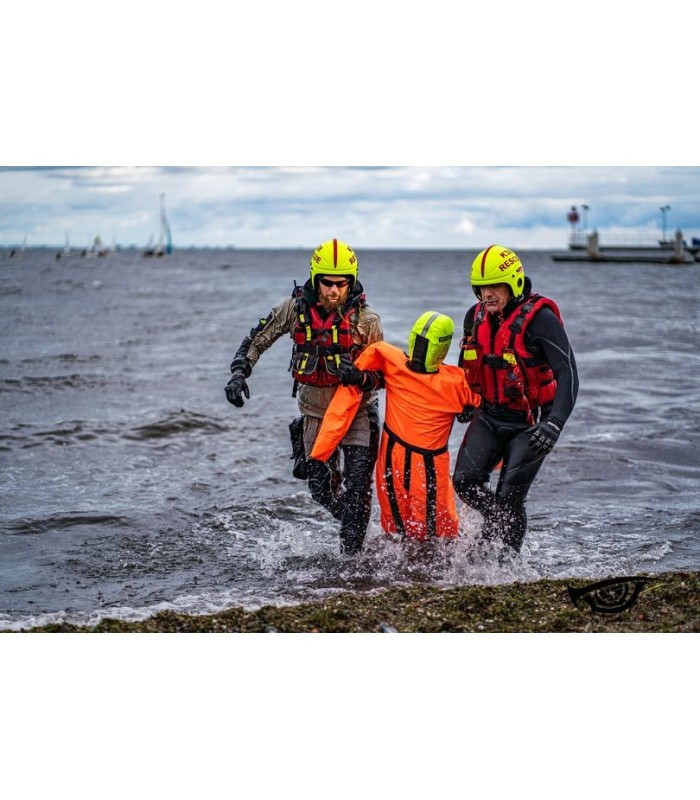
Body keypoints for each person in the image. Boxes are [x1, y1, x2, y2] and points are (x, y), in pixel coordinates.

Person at [224, 239, 383, 555]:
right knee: (321, 491)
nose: (334, 291)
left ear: (351, 282)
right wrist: (239, 372)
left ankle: (351, 560)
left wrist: (360, 377)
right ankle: (355, 526)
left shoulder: (367, 321)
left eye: (341, 284)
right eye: (327, 283)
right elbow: (258, 338)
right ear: (315, 278)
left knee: (357, 491)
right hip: (313, 412)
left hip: (356, 414)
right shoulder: (293, 310)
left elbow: (382, 377)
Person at [452, 245, 579, 553]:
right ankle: (494, 528)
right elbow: (466, 361)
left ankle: (509, 566)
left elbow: (569, 374)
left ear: (515, 284)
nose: (488, 294)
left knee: (510, 495)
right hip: (491, 415)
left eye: (495, 286)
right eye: (481, 287)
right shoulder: (475, 316)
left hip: (531, 423)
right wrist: (467, 401)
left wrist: (554, 425)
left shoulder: (541, 320)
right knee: (465, 483)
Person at [309, 311, 480, 541]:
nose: (419, 350)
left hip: (425, 467)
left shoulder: (457, 382)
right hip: (393, 463)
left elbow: (493, 415)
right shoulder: (391, 360)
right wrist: (321, 453)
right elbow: (346, 401)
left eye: (425, 344)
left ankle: (438, 572)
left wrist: (474, 414)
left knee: (438, 536)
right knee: (396, 532)